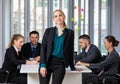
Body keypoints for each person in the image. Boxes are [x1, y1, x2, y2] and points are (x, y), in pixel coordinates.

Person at [39, 9, 81, 84]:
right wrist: (42, 65)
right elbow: (43, 48)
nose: (58, 18)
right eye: (55, 16)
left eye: (60, 15)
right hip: (47, 62)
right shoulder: (48, 31)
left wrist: (72, 67)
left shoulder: (70, 33)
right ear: (54, 19)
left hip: (60, 63)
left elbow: (70, 50)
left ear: (64, 17)